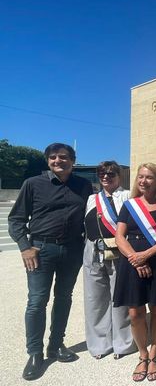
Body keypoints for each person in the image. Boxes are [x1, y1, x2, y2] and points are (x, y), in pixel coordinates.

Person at [8, 142, 93, 381]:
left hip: (73, 250)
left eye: (64, 157)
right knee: (37, 302)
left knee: (64, 298)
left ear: (73, 161)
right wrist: (25, 247)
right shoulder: (33, 184)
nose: (59, 161)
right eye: (54, 157)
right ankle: (35, 353)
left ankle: (56, 345)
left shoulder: (83, 186)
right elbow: (16, 220)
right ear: (48, 161)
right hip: (40, 250)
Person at [113, 163, 156, 382]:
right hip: (131, 263)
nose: (143, 181)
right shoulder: (129, 206)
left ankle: (155, 353)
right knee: (135, 313)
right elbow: (120, 236)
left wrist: (146, 255)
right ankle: (142, 354)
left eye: (149, 177)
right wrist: (136, 260)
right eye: (140, 177)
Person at [83, 161, 135, 360]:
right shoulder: (91, 198)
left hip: (119, 250)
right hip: (93, 250)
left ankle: (123, 343)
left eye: (111, 173)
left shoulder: (127, 195)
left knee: (120, 296)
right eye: (102, 173)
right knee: (95, 298)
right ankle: (99, 343)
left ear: (119, 176)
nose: (106, 176)